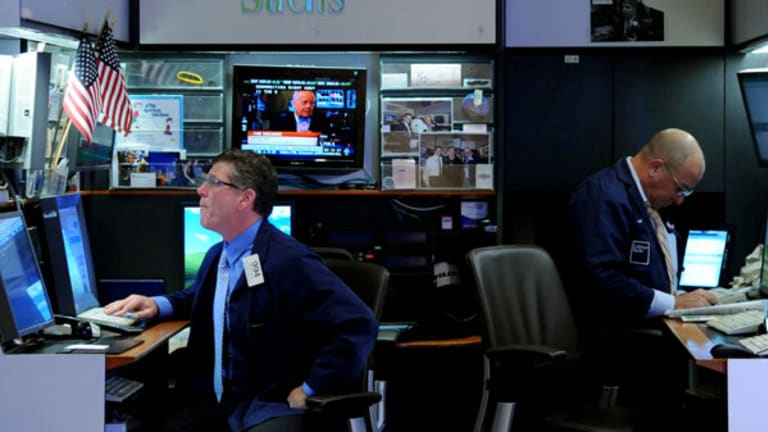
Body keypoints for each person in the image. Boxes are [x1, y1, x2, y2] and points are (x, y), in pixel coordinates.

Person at [104, 149, 378, 432]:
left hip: (269, 403)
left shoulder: (289, 261)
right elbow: (203, 298)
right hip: (221, 403)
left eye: (214, 182)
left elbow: (358, 323)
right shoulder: (219, 255)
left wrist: (311, 387)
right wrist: (157, 304)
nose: (201, 190)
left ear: (245, 198)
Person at [568, 128, 715, 429]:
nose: (680, 200)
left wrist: (682, 298)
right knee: (732, 384)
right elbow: (602, 280)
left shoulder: (640, 200)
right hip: (615, 348)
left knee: (728, 381)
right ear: (656, 167)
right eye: (680, 189)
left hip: (641, 341)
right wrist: (673, 303)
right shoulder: (602, 196)